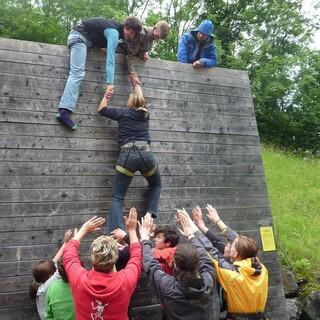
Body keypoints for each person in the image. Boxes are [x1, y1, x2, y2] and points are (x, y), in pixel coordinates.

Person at [178, 207, 269, 320]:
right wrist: (216, 222)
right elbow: (242, 242)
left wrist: (191, 232)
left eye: (231, 245)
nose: (228, 245)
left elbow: (209, 252)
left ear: (235, 253)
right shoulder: (261, 268)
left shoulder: (231, 275)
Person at [57, 16, 142, 129]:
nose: (132, 37)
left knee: (78, 72)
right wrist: (110, 83)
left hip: (86, 40)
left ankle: (65, 110)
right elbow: (110, 60)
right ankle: (64, 112)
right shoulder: (113, 32)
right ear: (129, 29)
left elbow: (121, 47)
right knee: (77, 73)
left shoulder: (117, 33)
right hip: (79, 36)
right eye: (133, 34)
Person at [98, 84, 161, 233]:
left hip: (127, 156)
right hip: (146, 155)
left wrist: (107, 95)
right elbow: (141, 99)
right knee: (156, 185)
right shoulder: (146, 114)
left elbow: (101, 109)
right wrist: (136, 83)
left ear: (131, 103)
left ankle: (116, 232)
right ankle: (149, 215)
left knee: (117, 197)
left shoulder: (123, 113)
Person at [62, 208, 142, 320]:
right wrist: (132, 230)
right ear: (116, 258)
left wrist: (83, 230)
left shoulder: (78, 279)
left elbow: (68, 254)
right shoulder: (126, 280)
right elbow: (137, 256)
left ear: (92, 258)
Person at [139, 212, 218, 320]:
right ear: (196, 263)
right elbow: (206, 260)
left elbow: (150, 263)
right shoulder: (207, 283)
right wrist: (191, 235)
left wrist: (144, 238)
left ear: (175, 264)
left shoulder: (169, 286)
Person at [29, 230, 73, 320]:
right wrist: (75, 242)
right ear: (50, 276)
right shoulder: (45, 288)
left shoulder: (42, 283)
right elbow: (58, 270)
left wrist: (65, 243)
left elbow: (54, 261)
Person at [112, 225, 179, 274]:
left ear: (168, 243)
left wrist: (126, 236)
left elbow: (146, 253)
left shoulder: (171, 251)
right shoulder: (162, 250)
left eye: (158, 237)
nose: (155, 239)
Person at [125, 21, 170, 86]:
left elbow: (137, 51)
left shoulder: (151, 41)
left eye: (159, 38)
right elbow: (129, 54)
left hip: (132, 64)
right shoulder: (141, 34)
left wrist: (142, 54)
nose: (157, 39)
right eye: (157, 36)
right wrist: (131, 72)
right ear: (155, 28)